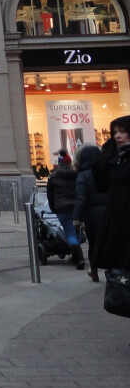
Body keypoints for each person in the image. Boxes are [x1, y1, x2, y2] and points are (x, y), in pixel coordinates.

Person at [89, 116, 130, 279]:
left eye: (122, 132)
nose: (118, 136)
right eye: (115, 132)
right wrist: (103, 160)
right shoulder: (117, 157)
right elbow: (102, 186)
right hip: (117, 217)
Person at [73, 144, 107, 281]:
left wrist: (76, 217)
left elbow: (81, 198)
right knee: (110, 242)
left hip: (92, 218)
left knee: (93, 245)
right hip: (109, 215)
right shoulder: (108, 172)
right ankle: (113, 270)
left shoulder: (84, 176)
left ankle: (94, 271)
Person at [47, 151, 83, 269]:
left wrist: (53, 208)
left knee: (70, 232)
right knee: (76, 230)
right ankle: (76, 255)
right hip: (76, 206)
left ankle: (78, 258)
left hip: (62, 207)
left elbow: (50, 196)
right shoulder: (76, 175)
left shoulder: (53, 177)